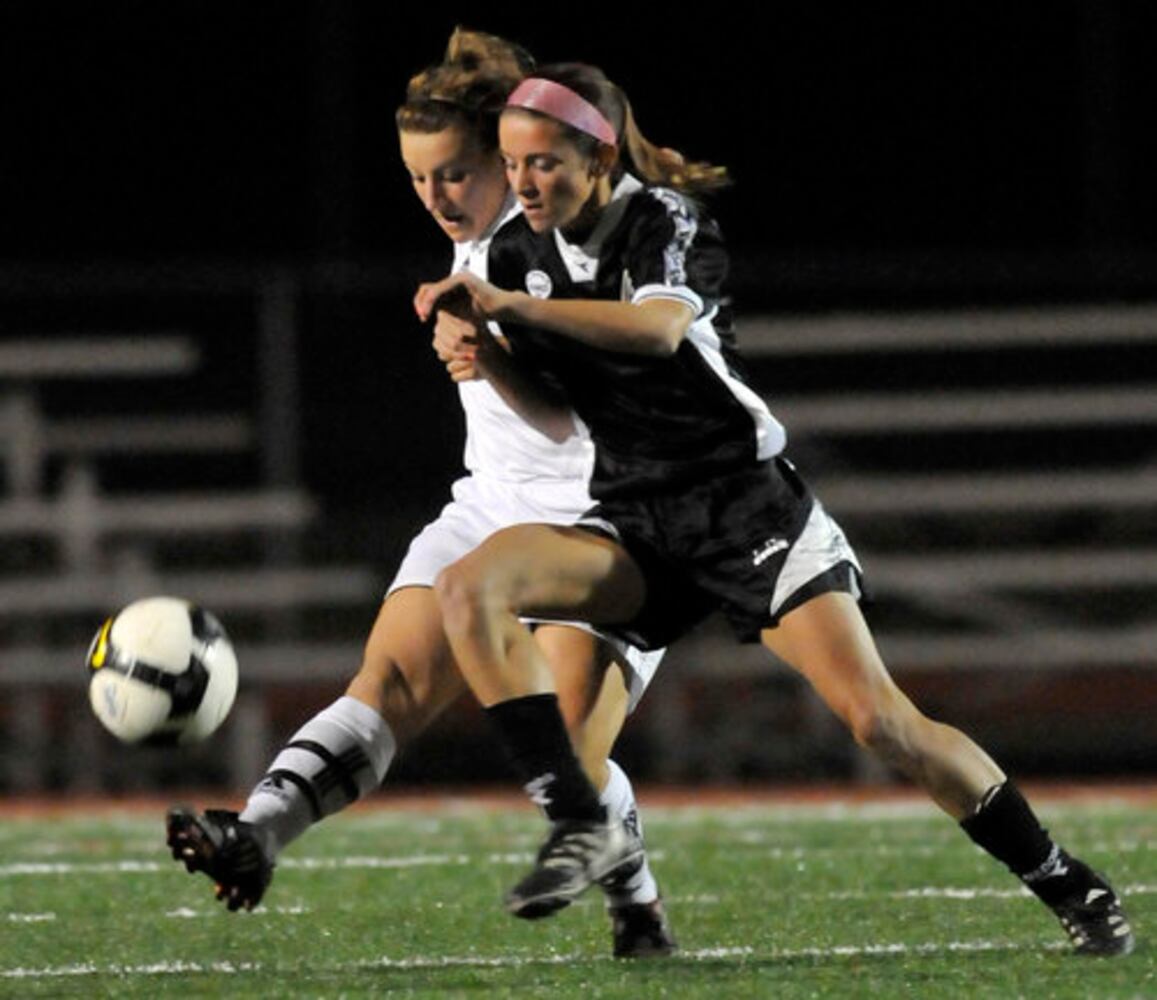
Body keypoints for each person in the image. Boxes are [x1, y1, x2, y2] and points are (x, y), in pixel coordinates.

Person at [415, 62, 1135, 956]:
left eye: (544, 163)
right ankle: (581, 833)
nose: (522, 184)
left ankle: (1067, 880)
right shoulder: (517, 256)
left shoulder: (662, 218)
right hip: (634, 520)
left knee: (879, 721)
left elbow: (658, 330)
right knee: (472, 592)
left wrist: (511, 311)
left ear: (598, 157)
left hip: (740, 509)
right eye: (512, 163)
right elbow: (558, 413)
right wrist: (485, 356)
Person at [164, 31, 676, 960]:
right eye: (416, 178)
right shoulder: (480, 239)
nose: (436, 197)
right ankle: (255, 833)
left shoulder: (562, 245)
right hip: (493, 505)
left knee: (568, 749)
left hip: (611, 517)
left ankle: (633, 896)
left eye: (453, 174)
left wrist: (491, 351)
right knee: (388, 683)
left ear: (507, 161)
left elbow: (588, 410)